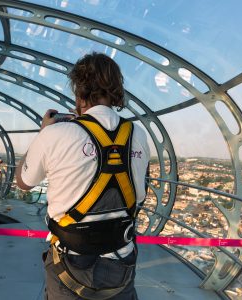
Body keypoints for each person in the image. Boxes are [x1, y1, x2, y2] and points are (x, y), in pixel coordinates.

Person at [15, 53, 150, 299]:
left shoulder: (57, 133)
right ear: (116, 90)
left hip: (70, 263)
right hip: (122, 258)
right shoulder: (137, 133)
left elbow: (24, 182)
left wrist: (43, 133)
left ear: (79, 91)